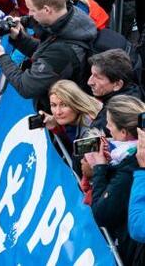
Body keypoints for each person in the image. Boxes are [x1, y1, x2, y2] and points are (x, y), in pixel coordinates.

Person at [0, 0, 97, 112]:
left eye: (32, 10)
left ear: (47, 10)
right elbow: (45, 51)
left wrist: (1, 56)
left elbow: (26, 86)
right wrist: (18, 38)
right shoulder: (70, 17)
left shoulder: (63, 51)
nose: (29, 14)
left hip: (66, 112)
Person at [84, 95, 145, 264]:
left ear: (124, 132)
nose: (107, 127)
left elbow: (102, 213)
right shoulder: (126, 157)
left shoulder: (133, 166)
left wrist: (100, 168)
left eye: (110, 123)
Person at [38, 79, 102, 169]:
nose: (58, 112)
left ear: (76, 103)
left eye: (64, 105)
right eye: (53, 105)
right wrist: (55, 127)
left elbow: (77, 155)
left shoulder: (91, 129)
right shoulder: (74, 119)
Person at [86, 49, 144, 133]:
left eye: (98, 77)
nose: (89, 82)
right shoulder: (135, 90)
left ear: (117, 85)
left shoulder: (111, 117)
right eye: (92, 74)